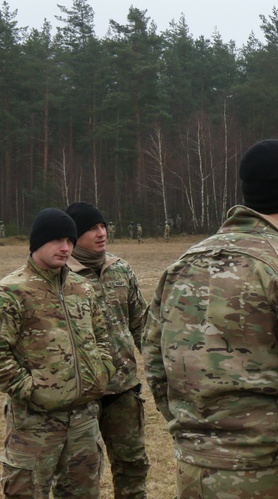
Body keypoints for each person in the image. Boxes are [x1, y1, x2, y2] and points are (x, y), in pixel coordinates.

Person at [144, 139, 278, 498]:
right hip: (266, 472)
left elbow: (156, 361)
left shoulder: (184, 263)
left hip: (194, 472)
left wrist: (192, 435)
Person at [0, 208, 114, 498]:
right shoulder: (12, 291)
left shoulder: (82, 288)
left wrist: (102, 371)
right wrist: (30, 389)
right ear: (38, 242)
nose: (65, 248)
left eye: (70, 240)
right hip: (35, 424)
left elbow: (101, 336)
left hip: (83, 421)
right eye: (57, 240)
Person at [66, 201, 150, 499]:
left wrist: (159, 369)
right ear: (73, 236)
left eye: (102, 226)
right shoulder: (61, 276)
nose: (101, 233)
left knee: (133, 466)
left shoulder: (121, 270)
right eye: (91, 229)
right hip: (81, 395)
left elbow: (142, 325)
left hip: (124, 389)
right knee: (79, 476)